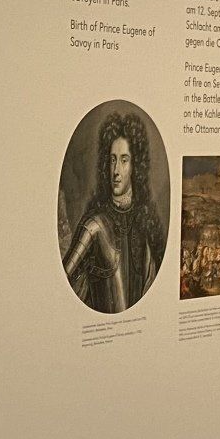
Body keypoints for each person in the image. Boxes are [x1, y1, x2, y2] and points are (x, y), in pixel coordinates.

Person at [63, 112, 165, 313]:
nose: (116, 170)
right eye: (112, 160)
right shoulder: (94, 225)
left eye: (124, 160)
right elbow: (62, 283)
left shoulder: (145, 224)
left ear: (135, 166)